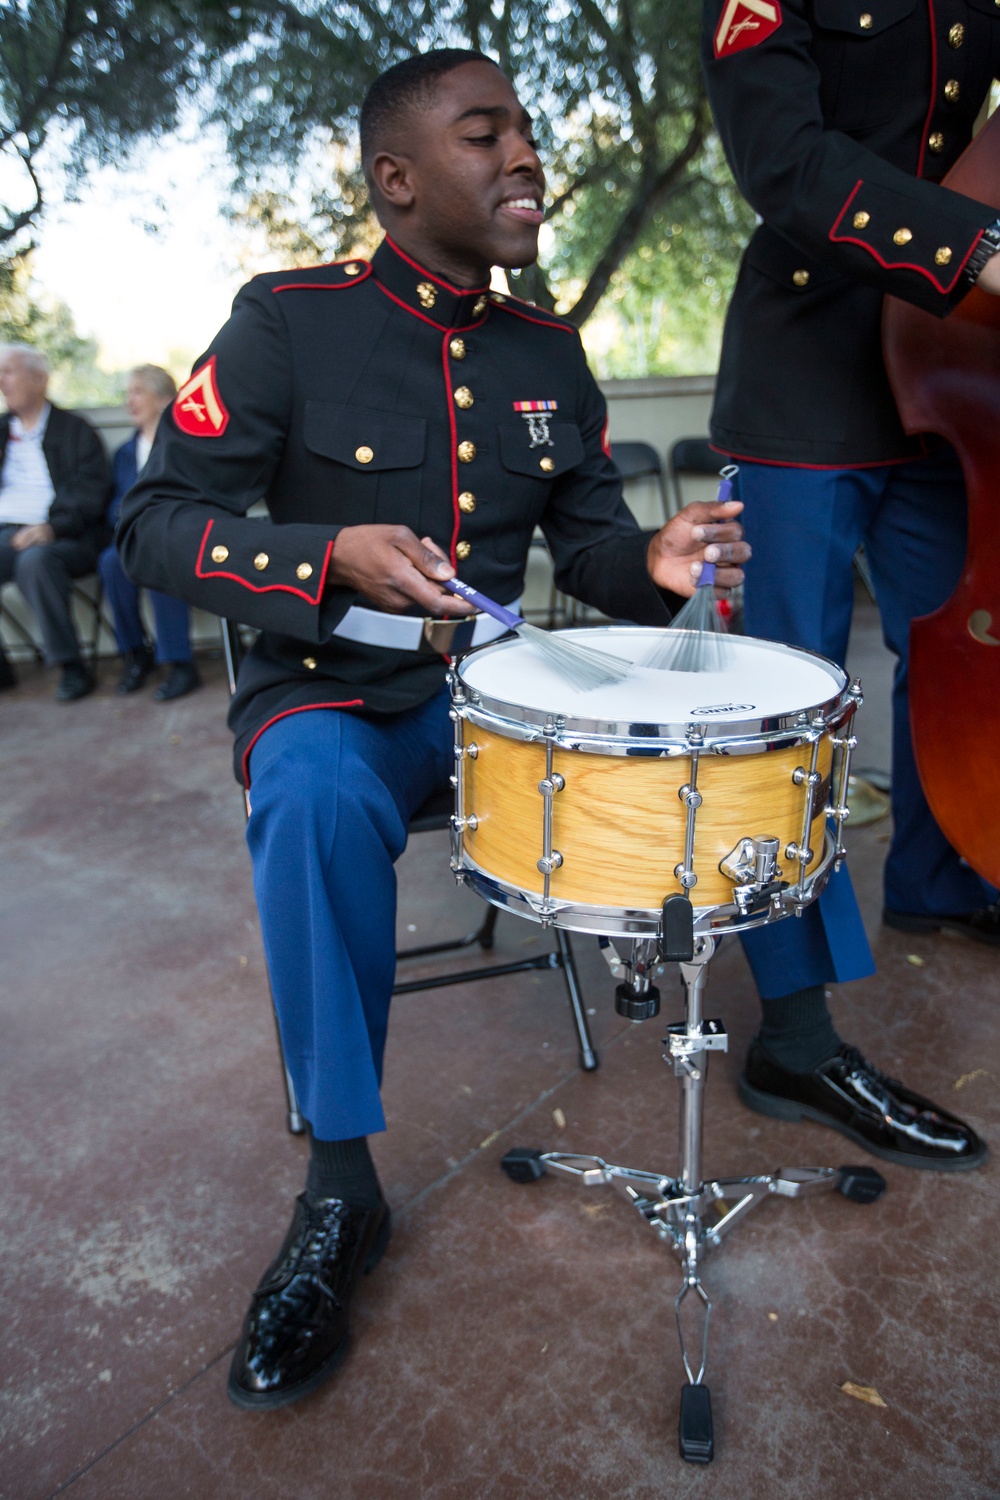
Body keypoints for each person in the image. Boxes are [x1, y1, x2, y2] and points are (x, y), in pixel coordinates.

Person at [119, 50, 751, 1412]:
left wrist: (652, 563)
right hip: (335, 692)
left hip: (495, 701)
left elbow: (586, 543)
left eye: (526, 131)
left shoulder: (549, 349)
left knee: (716, 732)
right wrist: (322, 552)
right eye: (487, 135)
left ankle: (779, 1022)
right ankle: (340, 1192)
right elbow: (154, 523)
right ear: (397, 181)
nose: (526, 155)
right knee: (311, 792)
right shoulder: (287, 323)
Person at [700, 2, 998, 1162]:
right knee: (780, 708)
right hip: (805, 374)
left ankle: (938, 876)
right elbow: (783, 161)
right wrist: (973, 250)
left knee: (958, 644)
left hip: (940, 372)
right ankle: (795, 1034)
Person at [0, 345, 111, 700]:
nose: (1, 382)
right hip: (6, 531)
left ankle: (71, 667)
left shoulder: (75, 430)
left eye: (8, 372)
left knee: (36, 561)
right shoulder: (2, 431)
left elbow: (92, 491)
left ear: (39, 378)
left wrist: (51, 528)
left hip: (66, 535)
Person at [99, 365, 200, 700]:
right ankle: (136, 654)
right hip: (137, 535)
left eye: (138, 392)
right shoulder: (125, 454)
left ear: (163, 399)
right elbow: (117, 502)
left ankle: (180, 663)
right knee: (112, 562)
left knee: (160, 556)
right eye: (128, 393)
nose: (130, 401)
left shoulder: (186, 445)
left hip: (180, 534)